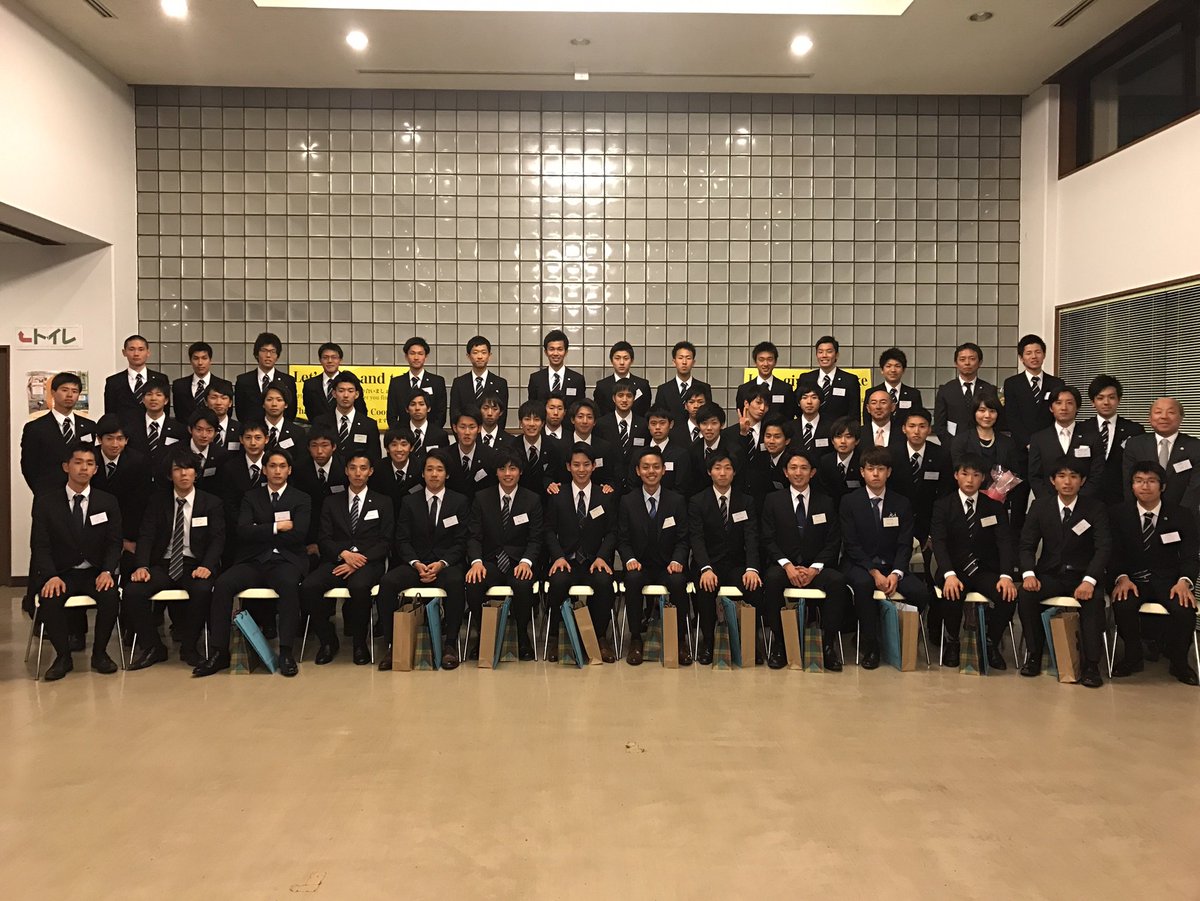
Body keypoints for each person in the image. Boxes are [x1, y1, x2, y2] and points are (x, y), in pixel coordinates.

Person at [195, 448, 311, 677]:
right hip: (254, 560)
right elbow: (243, 531)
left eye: (282, 466)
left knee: (289, 585)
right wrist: (276, 528)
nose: (277, 471)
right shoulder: (251, 497)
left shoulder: (301, 498)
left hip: (285, 560)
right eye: (272, 466)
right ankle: (220, 651)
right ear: (264, 470)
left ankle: (286, 651)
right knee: (223, 584)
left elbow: (299, 535)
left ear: (289, 470)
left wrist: (260, 529)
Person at [124, 448, 226, 669]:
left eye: (188, 468)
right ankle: (153, 647)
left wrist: (207, 566)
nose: (184, 474)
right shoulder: (157, 501)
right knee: (133, 591)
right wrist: (142, 566)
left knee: (202, 590)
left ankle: (189, 647)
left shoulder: (211, 503)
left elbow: (218, 540)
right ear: (170, 475)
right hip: (164, 563)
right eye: (178, 469)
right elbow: (146, 535)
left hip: (195, 564)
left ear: (196, 473)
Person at [29, 443, 123, 681]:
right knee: (50, 598)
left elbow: (114, 543)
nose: (84, 468)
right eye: (78, 462)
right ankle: (63, 657)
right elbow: (40, 546)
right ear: (66, 466)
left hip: (95, 571)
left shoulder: (108, 501)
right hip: (62, 572)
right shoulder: (46, 503)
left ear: (96, 470)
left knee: (110, 596)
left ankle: (100, 654)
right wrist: (50, 575)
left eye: (90, 464)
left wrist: (108, 571)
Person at [1017, 458, 1111, 687]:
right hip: (1050, 574)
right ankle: (1034, 655)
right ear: (1053, 480)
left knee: (1094, 602)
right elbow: (1026, 545)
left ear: (1082, 481)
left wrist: (1089, 580)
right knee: (1027, 595)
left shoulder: (1095, 508)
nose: (1067, 482)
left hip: (1083, 576)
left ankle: (1091, 665)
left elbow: (1104, 547)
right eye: (1061, 476)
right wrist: (1028, 574)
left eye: (1073, 476)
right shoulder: (1040, 506)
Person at [376, 450, 470, 671]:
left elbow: (461, 541)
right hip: (415, 564)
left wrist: (442, 563)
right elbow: (402, 539)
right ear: (423, 474)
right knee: (387, 583)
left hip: (445, 565)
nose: (434, 474)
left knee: (456, 582)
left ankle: (450, 644)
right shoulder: (409, 501)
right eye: (429, 469)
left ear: (447, 474)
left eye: (439, 470)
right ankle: (393, 645)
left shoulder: (459, 501)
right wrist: (416, 563)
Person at [1109, 461, 1200, 685]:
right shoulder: (1118, 514)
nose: (1145, 486)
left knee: (1185, 609)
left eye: (1151, 481)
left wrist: (1184, 581)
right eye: (1139, 481)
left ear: (1163, 486)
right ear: (1132, 486)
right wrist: (1121, 577)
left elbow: (1190, 555)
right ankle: (1132, 657)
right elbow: (1112, 553)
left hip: (1170, 582)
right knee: (1123, 604)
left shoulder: (1181, 515)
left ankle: (1179, 662)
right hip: (1133, 580)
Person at [840, 447, 930, 669]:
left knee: (920, 592)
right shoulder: (849, 502)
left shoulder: (901, 503)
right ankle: (870, 644)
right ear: (862, 472)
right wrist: (874, 572)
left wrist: (896, 573)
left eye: (881, 469)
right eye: (871, 469)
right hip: (860, 564)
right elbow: (851, 544)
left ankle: (899, 636)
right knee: (863, 585)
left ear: (889, 472)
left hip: (892, 566)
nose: (875, 474)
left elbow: (904, 544)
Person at [300, 452, 393, 666]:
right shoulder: (331, 502)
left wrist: (359, 560)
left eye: (363, 468)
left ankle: (359, 644)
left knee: (359, 587)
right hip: (337, 560)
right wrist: (344, 555)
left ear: (370, 472)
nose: (357, 473)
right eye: (353, 468)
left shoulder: (383, 502)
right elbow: (324, 538)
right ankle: (328, 640)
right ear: (346, 471)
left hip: (369, 562)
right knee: (309, 587)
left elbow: (386, 541)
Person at [760, 449, 848, 670]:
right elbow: (767, 539)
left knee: (837, 582)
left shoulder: (826, 502)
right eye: (793, 468)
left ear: (812, 472)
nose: (798, 472)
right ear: (785, 472)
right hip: (784, 566)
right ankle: (780, 644)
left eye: (804, 468)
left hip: (815, 567)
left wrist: (814, 568)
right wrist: (787, 565)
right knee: (771, 580)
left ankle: (828, 646)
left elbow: (833, 541)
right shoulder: (773, 500)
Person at [929, 454, 1017, 670]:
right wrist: (949, 574)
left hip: (985, 570)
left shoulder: (994, 507)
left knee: (1007, 595)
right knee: (952, 592)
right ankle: (953, 642)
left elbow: (1005, 543)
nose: (970, 480)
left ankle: (991, 643)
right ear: (956, 475)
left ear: (983, 478)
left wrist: (1006, 576)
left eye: (976, 475)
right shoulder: (943, 506)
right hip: (954, 569)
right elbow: (939, 543)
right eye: (965, 474)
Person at [464, 450, 543, 661]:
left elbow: (536, 539)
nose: (507, 474)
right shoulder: (482, 498)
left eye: (512, 468)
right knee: (473, 583)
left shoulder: (532, 500)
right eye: (502, 469)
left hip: (519, 562)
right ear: (496, 472)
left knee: (523, 585)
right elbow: (474, 536)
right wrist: (476, 562)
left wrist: (526, 562)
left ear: (520, 472)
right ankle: (483, 636)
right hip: (490, 561)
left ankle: (522, 636)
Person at [545, 444, 619, 663]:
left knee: (604, 583)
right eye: (576, 465)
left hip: (594, 560)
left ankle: (599, 637)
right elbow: (548, 530)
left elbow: (612, 532)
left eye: (586, 464)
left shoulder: (604, 495)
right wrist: (558, 556)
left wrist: (602, 557)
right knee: (557, 582)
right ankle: (557, 637)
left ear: (594, 466)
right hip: (566, 560)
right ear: (568, 467)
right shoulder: (557, 495)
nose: (581, 469)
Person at [618, 447, 691, 666]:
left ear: (663, 470)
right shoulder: (627, 501)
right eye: (646, 467)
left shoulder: (676, 500)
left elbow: (683, 538)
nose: (651, 471)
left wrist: (677, 560)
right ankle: (636, 639)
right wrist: (629, 559)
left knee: (678, 582)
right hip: (640, 565)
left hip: (668, 565)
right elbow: (623, 539)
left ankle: (680, 640)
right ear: (638, 471)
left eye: (656, 467)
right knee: (632, 580)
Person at [689, 452, 762, 666]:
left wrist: (751, 568)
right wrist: (705, 568)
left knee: (754, 586)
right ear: (709, 472)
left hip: (737, 564)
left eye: (727, 468)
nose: (722, 473)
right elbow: (697, 539)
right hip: (708, 564)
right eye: (717, 468)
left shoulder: (746, 501)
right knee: (705, 587)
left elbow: (751, 537)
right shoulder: (697, 501)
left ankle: (750, 642)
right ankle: (708, 641)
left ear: (734, 472)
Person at [887, 408, 952, 595]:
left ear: (929, 429)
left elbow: (945, 493)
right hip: (896, 522)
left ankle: (930, 607)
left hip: (929, 523)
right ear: (903, 429)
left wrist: (933, 532)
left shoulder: (941, 454)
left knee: (931, 575)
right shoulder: (891, 453)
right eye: (912, 426)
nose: (916, 431)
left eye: (922, 426)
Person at [21, 372, 97, 496]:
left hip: (82, 495)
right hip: (48, 495)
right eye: (64, 390)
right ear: (53, 392)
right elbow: (29, 466)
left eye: (74, 391)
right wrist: (42, 492)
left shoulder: (90, 426)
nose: (70, 395)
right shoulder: (35, 428)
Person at [1027, 386, 1105, 501]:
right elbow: (1035, 476)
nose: (1064, 408)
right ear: (1051, 408)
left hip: (1085, 503)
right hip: (1049, 503)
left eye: (1069, 403)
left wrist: (1078, 501)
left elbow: (1097, 473)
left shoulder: (1092, 437)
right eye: (1058, 403)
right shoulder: (1039, 438)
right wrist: (1052, 502)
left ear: (1077, 407)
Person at [1122, 397, 1200, 513]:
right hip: (1142, 514)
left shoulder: (1195, 446)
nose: (1164, 417)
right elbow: (1129, 482)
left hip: (1184, 515)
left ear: (1181, 418)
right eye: (1158, 412)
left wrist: (1181, 514)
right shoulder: (1135, 444)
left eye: (1171, 412)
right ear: (1149, 418)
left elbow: (1195, 487)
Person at [1077, 374, 1144, 506]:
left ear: (1119, 400)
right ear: (1092, 402)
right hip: (1086, 498)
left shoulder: (1134, 430)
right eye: (1100, 398)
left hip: (1122, 499)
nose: (1106, 402)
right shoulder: (1080, 429)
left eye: (1111, 397)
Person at [290, 425, 348, 568]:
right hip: (309, 531)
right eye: (314, 446)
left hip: (339, 533)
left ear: (334, 447)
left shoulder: (345, 468)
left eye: (325, 445)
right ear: (308, 448)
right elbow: (299, 508)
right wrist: (311, 541)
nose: (319, 451)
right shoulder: (299, 469)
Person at [1001, 335, 1065, 455]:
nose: (1034, 356)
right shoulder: (1012, 383)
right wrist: (1028, 443)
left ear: (1044, 355)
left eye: (1038, 352)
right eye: (1028, 353)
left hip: (1050, 445)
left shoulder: (1056, 383)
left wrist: (1049, 441)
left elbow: (1059, 414)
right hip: (1021, 447)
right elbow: (1012, 417)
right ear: (1021, 358)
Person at [950, 393, 1022, 497]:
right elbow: (958, 472)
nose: (987, 415)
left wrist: (998, 491)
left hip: (1000, 499)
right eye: (982, 410)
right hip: (968, 497)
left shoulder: (1007, 442)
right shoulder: (960, 441)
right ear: (974, 413)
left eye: (992, 411)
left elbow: (1015, 472)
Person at [933, 342, 1000, 443]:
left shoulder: (989, 390)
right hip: (953, 445)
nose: (967, 363)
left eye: (972, 359)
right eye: (962, 359)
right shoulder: (945, 390)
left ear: (980, 362)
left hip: (983, 445)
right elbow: (939, 425)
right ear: (956, 363)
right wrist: (952, 446)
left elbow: (997, 422)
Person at [594, 379, 650, 491]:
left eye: (629, 396)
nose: (624, 400)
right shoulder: (601, 424)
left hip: (637, 486)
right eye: (620, 395)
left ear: (634, 398)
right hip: (609, 486)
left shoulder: (644, 425)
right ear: (613, 398)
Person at [312, 372, 381, 463]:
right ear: (334, 393)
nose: (345, 395)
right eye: (341, 391)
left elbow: (375, 458)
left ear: (356, 394)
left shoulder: (369, 425)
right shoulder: (320, 422)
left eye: (350, 391)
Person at [104, 334, 171, 426]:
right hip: (124, 431)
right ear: (124, 352)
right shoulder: (113, 382)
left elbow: (165, 411)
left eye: (141, 349)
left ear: (148, 352)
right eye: (131, 349)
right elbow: (110, 415)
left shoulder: (161, 378)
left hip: (153, 430)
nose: (136, 353)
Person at [234, 331, 297, 423]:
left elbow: (291, 412)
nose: (268, 355)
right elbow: (240, 412)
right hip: (252, 429)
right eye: (264, 351)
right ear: (256, 354)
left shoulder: (288, 381)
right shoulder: (243, 381)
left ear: (277, 356)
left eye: (273, 351)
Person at [387, 336, 448, 430]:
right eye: (412, 353)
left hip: (430, 434)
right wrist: (400, 434)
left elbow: (441, 414)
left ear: (426, 356)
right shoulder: (396, 383)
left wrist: (430, 434)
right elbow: (391, 415)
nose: (416, 357)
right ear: (406, 356)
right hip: (403, 435)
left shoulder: (437, 382)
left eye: (420, 354)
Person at [796, 335, 860, 425]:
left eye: (829, 352)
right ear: (816, 355)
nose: (824, 355)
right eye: (820, 352)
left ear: (836, 355)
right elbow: (798, 408)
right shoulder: (805, 378)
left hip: (838, 430)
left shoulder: (849, 380)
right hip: (811, 429)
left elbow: (854, 413)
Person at [450, 335, 510, 430]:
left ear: (489, 355)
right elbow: (454, 414)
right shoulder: (459, 383)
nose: (480, 357)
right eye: (475, 353)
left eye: (483, 352)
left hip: (491, 436)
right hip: (466, 434)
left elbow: (502, 416)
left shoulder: (500, 383)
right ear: (468, 356)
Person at [127, 382, 186, 475]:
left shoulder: (178, 429)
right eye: (149, 394)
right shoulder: (131, 427)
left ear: (166, 400)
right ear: (143, 399)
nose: (153, 398)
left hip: (166, 478)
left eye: (158, 395)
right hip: (137, 478)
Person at [301, 342, 368, 422]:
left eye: (334, 357)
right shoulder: (310, 385)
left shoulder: (351, 381)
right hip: (320, 428)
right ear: (320, 360)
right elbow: (310, 412)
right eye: (325, 357)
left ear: (340, 360)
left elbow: (361, 410)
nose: (330, 361)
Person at [172, 341, 233, 426]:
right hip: (185, 432)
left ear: (210, 360)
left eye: (204, 358)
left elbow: (227, 414)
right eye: (196, 358)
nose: (200, 363)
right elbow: (179, 415)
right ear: (190, 361)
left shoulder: (224, 384)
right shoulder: (179, 385)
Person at [563, 398, 618, 491]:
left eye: (589, 417)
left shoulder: (605, 447)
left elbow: (610, 478)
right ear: (572, 419)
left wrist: (608, 486)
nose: (585, 421)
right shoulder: (561, 446)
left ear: (595, 422)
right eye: (580, 416)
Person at [444, 407, 497, 501]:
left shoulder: (491, 456)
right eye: (462, 427)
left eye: (472, 427)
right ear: (455, 428)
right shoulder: (445, 455)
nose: (467, 432)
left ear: (479, 428)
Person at [737, 340, 796, 421]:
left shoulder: (785, 389)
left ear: (775, 362)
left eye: (770, 359)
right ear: (755, 362)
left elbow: (790, 416)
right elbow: (742, 414)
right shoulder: (744, 389)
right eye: (761, 360)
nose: (765, 364)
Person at [655, 340, 712, 424]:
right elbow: (660, 417)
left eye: (688, 358)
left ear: (693, 362)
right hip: (672, 431)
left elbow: (708, 415)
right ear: (674, 362)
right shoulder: (663, 389)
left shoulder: (704, 388)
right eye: (680, 358)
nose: (684, 362)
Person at [689, 402, 738, 497]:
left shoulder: (733, 449)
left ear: (722, 425)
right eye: (704, 423)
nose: (709, 428)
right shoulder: (693, 449)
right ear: (698, 425)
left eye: (714, 423)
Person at [640, 405, 691, 495]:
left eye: (662, 423)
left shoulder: (681, 454)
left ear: (671, 424)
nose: (657, 427)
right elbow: (633, 484)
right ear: (648, 425)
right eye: (653, 423)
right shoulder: (639, 453)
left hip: (672, 501)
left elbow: (682, 487)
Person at [515, 400, 564, 494]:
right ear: (520, 422)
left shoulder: (554, 447)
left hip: (546, 497)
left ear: (543, 423)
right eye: (527, 419)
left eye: (536, 419)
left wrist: (551, 484)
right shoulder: (512, 446)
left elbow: (556, 476)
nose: (531, 424)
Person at [594, 340, 652, 419]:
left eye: (626, 358)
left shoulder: (642, 385)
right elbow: (598, 414)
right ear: (611, 360)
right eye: (617, 358)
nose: (621, 362)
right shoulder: (602, 386)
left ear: (632, 360)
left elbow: (646, 413)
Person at [864, 348, 922, 422]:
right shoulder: (872, 392)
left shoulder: (913, 394)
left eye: (897, 366)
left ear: (903, 370)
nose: (893, 370)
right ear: (882, 370)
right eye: (888, 366)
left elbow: (918, 419)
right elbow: (867, 420)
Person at [527, 329, 586, 403]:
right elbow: (532, 407)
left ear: (566, 352)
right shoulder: (536, 379)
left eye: (560, 349)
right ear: (546, 352)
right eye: (551, 349)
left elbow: (580, 407)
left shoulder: (577, 380)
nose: (555, 353)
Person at [815, 417, 862, 509]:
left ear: (857, 441)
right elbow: (822, 491)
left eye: (848, 437)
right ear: (832, 441)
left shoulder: (862, 461)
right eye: (838, 436)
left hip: (857, 507)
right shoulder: (825, 461)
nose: (843, 441)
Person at [369, 429, 424, 506]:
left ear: (411, 448)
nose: (399, 449)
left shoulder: (421, 467)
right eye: (394, 445)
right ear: (387, 448)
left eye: (404, 444)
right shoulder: (378, 468)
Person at [261, 384, 308, 453]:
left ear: (286, 404)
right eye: (269, 400)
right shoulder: (255, 429)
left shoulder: (297, 432)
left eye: (279, 400)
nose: (274, 404)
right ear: (263, 404)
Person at [794, 386, 832, 457]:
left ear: (821, 402)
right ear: (798, 403)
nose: (809, 402)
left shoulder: (831, 427)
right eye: (804, 398)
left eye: (814, 397)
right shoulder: (790, 427)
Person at [204, 382, 242, 452]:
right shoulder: (199, 429)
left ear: (230, 403)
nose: (218, 402)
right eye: (213, 398)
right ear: (205, 402)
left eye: (224, 398)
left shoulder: (240, 429)